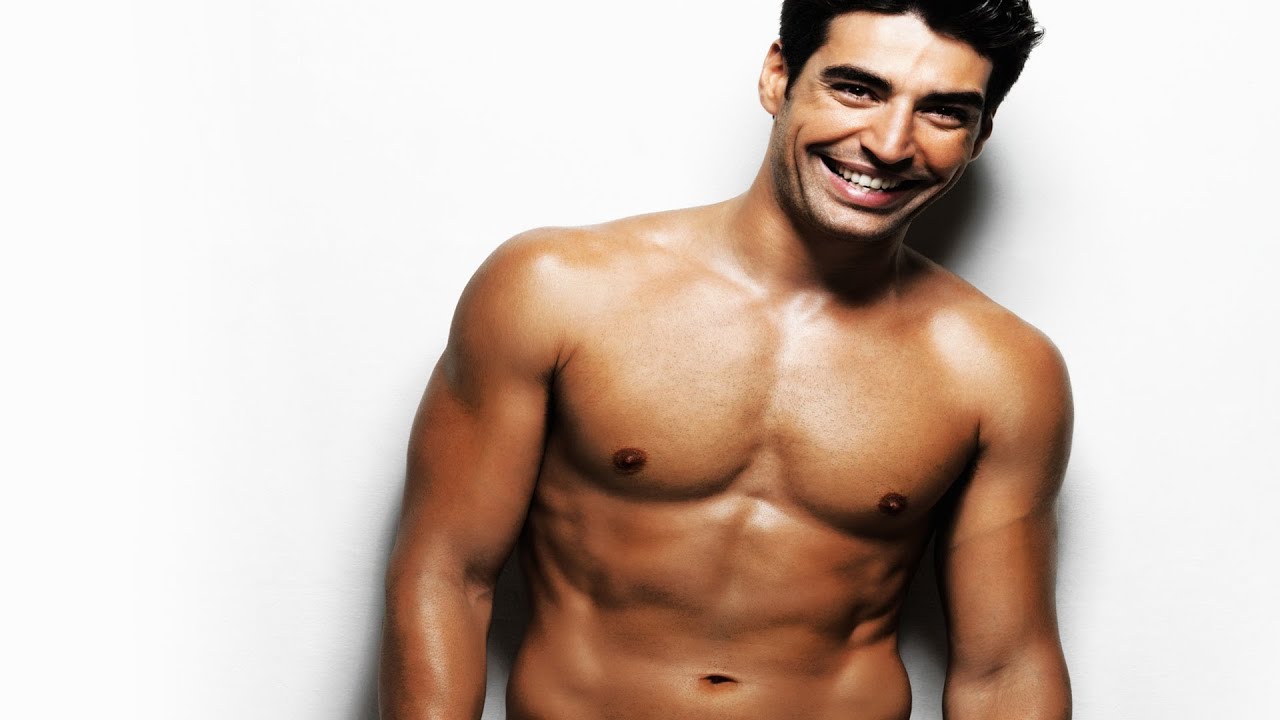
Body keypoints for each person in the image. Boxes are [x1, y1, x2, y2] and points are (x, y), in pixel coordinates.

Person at [379, 1, 1071, 718]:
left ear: (979, 135)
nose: (891, 143)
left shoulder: (1001, 371)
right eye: (856, 89)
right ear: (778, 77)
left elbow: (1005, 668)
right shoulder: (554, 289)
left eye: (944, 112)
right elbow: (446, 574)